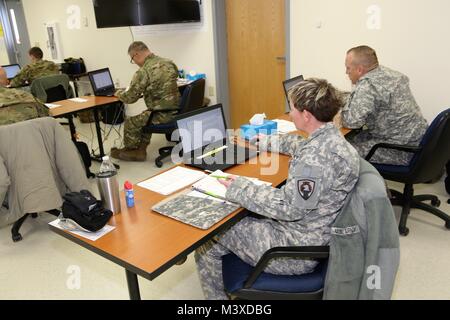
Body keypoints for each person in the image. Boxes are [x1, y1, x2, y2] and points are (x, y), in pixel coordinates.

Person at [195, 78, 360, 300]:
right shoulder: (332, 139)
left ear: (306, 115)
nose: (290, 113)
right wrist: (264, 141)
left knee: (211, 233)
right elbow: (299, 145)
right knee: (232, 226)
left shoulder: (314, 160)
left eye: (292, 108)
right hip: (315, 234)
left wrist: (238, 187)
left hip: (293, 250)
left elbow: (289, 208)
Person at [341, 45, 428, 165]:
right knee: (348, 138)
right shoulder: (390, 74)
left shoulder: (368, 85)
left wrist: (339, 112)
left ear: (360, 70)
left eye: (348, 68)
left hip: (399, 150)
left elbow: (351, 122)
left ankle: (355, 183)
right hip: (417, 141)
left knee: (338, 150)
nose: (346, 72)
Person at [111, 41, 180, 161]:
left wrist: (117, 93)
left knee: (131, 121)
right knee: (145, 115)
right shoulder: (169, 62)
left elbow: (130, 98)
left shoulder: (144, 71)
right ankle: (141, 150)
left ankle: (131, 150)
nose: (135, 63)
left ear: (136, 54)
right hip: (177, 110)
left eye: (132, 59)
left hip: (162, 114)